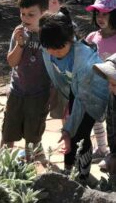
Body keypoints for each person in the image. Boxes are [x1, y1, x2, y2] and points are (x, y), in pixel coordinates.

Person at [39, 12, 109, 180]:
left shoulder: (84, 61)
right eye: (50, 48)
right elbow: (63, 83)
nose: (55, 52)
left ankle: (82, 175)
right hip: (75, 88)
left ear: (70, 39)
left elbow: (81, 100)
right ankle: (69, 170)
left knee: (80, 134)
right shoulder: (47, 48)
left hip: (93, 94)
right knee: (70, 134)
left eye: (59, 48)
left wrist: (68, 128)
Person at [1, 0, 51, 162]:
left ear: (44, 13)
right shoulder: (19, 32)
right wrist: (19, 44)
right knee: (8, 132)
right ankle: (2, 166)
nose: (25, 18)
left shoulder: (49, 34)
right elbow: (12, 62)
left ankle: (32, 166)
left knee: (33, 136)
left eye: (31, 14)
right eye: (22, 14)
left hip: (39, 94)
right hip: (17, 90)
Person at [85, 0, 116, 163]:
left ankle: (113, 152)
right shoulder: (92, 37)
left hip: (114, 89)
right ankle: (101, 148)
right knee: (96, 118)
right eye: (98, 13)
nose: (100, 17)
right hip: (95, 87)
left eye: (105, 13)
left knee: (113, 122)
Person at [93, 53, 116, 171]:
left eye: (113, 84)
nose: (110, 88)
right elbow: (111, 126)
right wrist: (113, 153)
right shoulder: (113, 96)